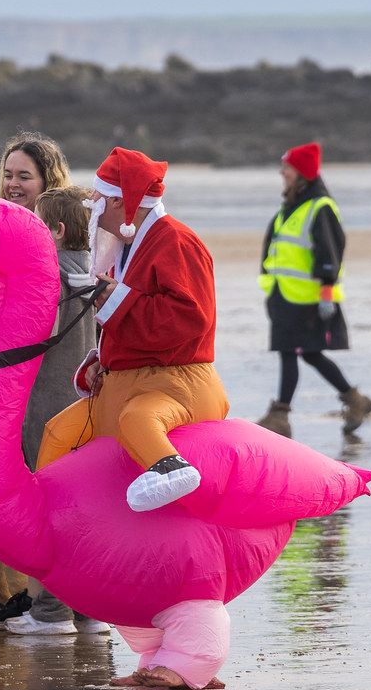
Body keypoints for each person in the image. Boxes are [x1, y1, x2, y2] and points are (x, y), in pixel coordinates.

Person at [37, 147, 229, 514]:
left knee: (136, 421)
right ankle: (50, 517)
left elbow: (192, 317)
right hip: (129, 382)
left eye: (97, 197)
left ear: (118, 204)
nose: (90, 204)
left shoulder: (175, 240)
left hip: (173, 382)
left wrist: (118, 298)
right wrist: (100, 360)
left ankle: (171, 469)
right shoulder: (129, 246)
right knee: (56, 434)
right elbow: (130, 318)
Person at [6, 185, 108, 636]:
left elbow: (25, 343)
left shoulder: (48, 280)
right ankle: (91, 613)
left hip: (47, 416)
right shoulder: (100, 278)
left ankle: (50, 612)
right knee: (86, 513)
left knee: (48, 511)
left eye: (38, 224)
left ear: (57, 230)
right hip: (91, 416)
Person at [0, 133, 71, 629]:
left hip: (42, 385)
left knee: (39, 486)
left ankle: (45, 602)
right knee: (3, 481)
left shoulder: (60, 238)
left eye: (24, 177)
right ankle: (5, 590)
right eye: (8, 175)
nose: (13, 184)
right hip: (5, 381)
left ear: (47, 182)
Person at [256, 142, 371, 438]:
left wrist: (326, 294)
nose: (282, 172)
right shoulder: (291, 206)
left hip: (307, 298)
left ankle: (280, 417)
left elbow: (330, 252)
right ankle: (354, 399)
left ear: (303, 173)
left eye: (288, 168)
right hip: (284, 295)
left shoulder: (320, 207)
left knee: (290, 352)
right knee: (308, 354)